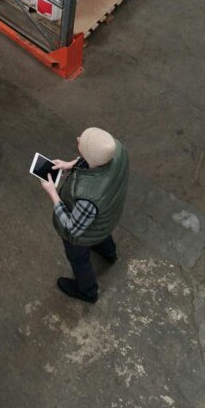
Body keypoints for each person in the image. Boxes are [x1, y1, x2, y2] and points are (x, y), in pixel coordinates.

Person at [40, 127, 129, 303]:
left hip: (83, 234)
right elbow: (95, 161)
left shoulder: (87, 198)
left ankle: (88, 291)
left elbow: (73, 227)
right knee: (101, 233)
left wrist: (52, 193)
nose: (79, 138)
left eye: (83, 141)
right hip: (107, 216)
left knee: (78, 259)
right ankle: (109, 254)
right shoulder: (118, 149)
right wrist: (72, 164)